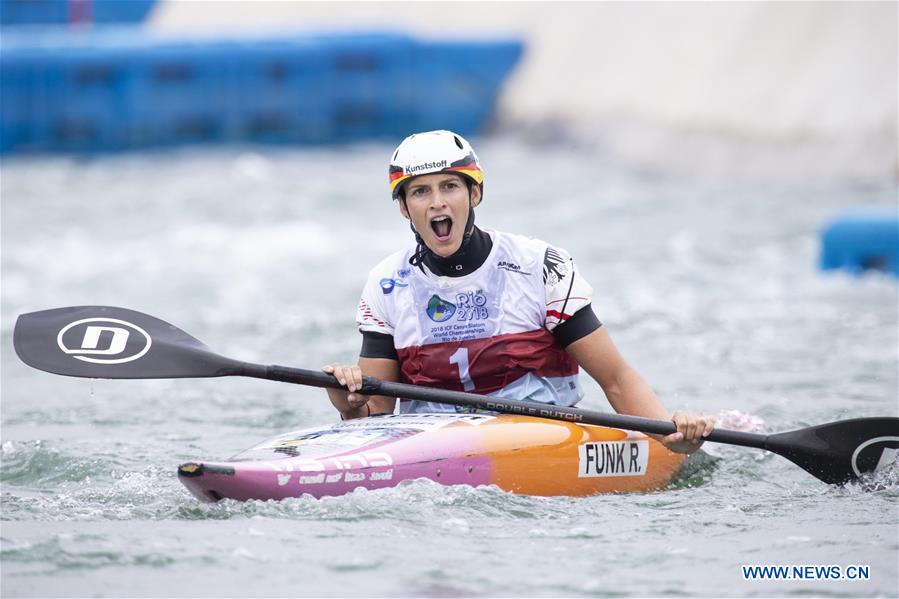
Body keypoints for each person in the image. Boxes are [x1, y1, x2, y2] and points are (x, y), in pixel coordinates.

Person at [324, 130, 713, 453]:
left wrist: (671, 438)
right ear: (404, 208)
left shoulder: (538, 266)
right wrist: (347, 401)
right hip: (429, 445)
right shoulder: (387, 282)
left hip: (538, 436)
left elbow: (615, 379)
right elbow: (374, 416)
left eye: (449, 187)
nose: (437, 202)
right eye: (420, 192)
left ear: (475, 195)